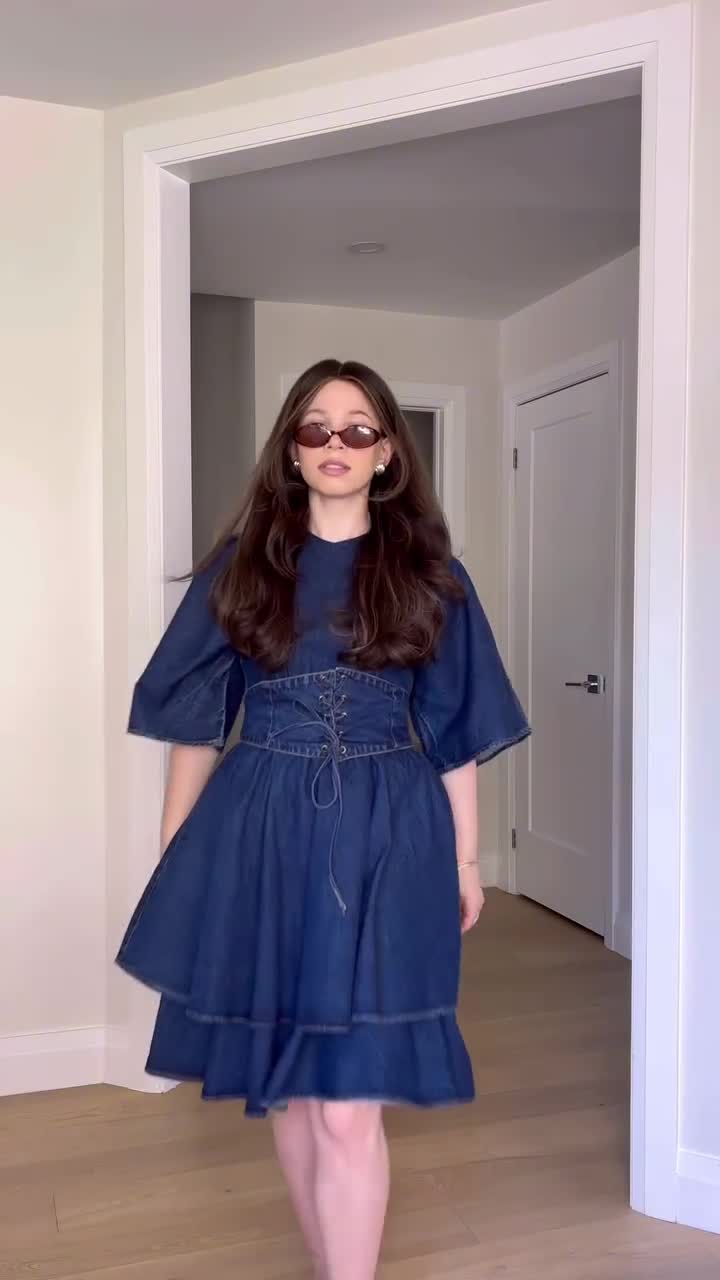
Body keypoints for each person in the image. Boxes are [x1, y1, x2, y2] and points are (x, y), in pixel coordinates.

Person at [115, 357, 530, 1280]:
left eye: (357, 428)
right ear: (291, 451)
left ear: (387, 452)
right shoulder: (242, 568)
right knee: (297, 1088)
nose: (334, 442)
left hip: (390, 837)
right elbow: (196, 721)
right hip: (261, 830)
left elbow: (457, 729)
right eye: (314, 427)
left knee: (347, 1103)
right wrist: (177, 854)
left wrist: (466, 861)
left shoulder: (431, 575)